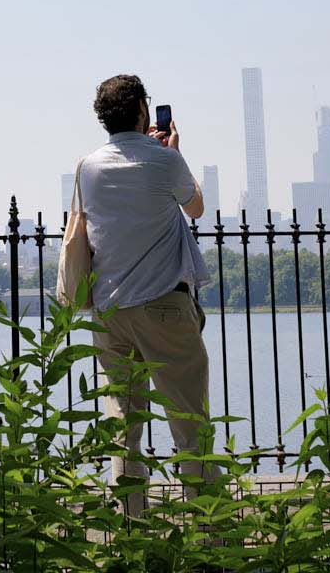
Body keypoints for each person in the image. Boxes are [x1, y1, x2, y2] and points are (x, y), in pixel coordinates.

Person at [72, 73, 212, 518]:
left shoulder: (87, 168)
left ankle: (131, 530)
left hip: (110, 312)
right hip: (164, 305)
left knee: (124, 424)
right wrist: (173, 152)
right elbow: (195, 208)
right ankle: (209, 538)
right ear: (141, 111)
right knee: (190, 423)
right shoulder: (163, 160)